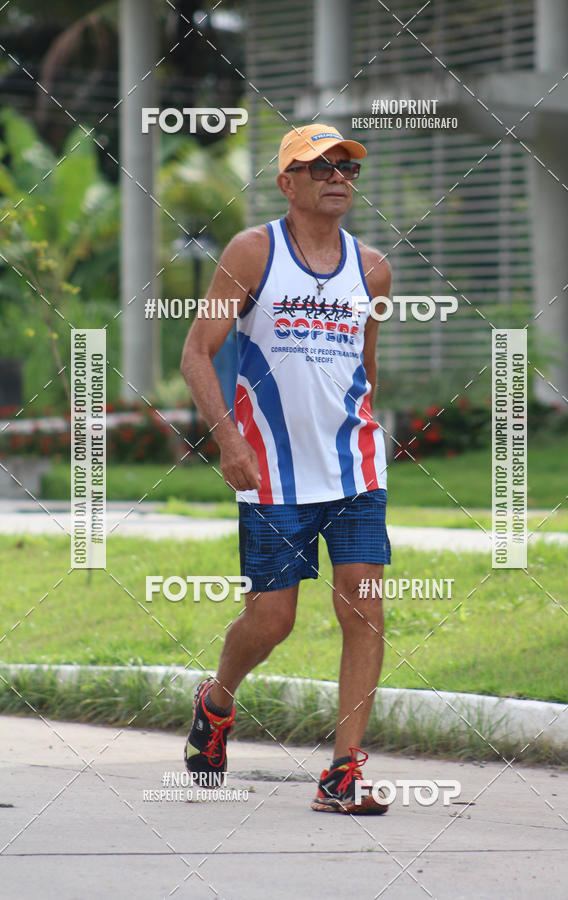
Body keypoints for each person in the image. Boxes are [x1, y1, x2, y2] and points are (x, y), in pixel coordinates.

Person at [180, 123, 392, 814]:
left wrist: (364, 430)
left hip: (354, 468)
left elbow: (365, 367)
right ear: (288, 182)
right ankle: (215, 703)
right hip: (269, 470)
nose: (338, 177)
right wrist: (228, 441)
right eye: (321, 166)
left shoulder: (375, 269)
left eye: (348, 168)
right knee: (272, 621)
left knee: (364, 609)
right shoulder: (252, 252)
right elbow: (196, 352)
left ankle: (342, 774)